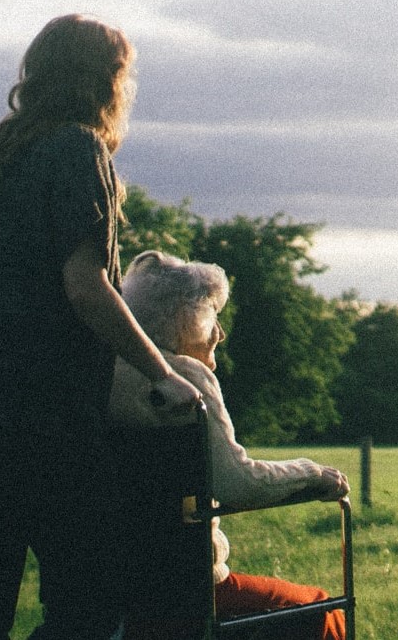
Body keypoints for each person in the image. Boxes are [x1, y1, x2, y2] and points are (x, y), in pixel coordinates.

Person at [0, 16, 202, 640]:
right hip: (42, 431)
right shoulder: (76, 149)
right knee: (86, 610)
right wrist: (163, 373)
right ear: (107, 81)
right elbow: (85, 286)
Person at [109, 250, 350, 640]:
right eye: (212, 316)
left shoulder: (101, 371)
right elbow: (238, 483)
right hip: (188, 593)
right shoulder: (184, 378)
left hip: (110, 587)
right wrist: (313, 473)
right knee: (318, 610)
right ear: (184, 320)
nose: (219, 333)